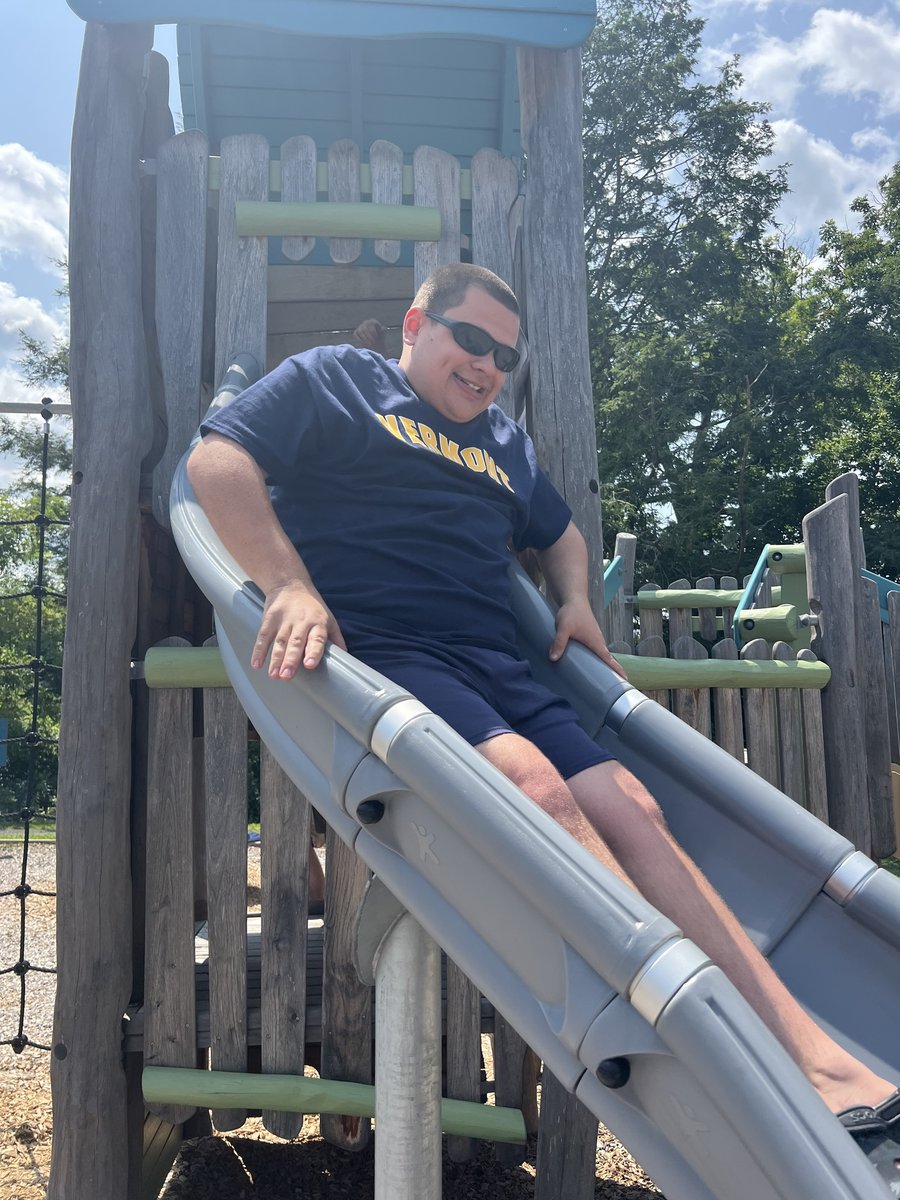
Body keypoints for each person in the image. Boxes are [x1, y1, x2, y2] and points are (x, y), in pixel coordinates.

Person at [187, 263, 899, 1187]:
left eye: (504, 356)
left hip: (501, 666)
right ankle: (724, 1052)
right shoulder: (338, 380)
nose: (486, 366)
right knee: (536, 787)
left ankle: (816, 1054)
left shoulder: (504, 444)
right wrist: (288, 583)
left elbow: (561, 534)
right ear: (416, 324)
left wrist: (575, 600)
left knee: (634, 805)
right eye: (469, 340)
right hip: (393, 657)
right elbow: (216, 458)